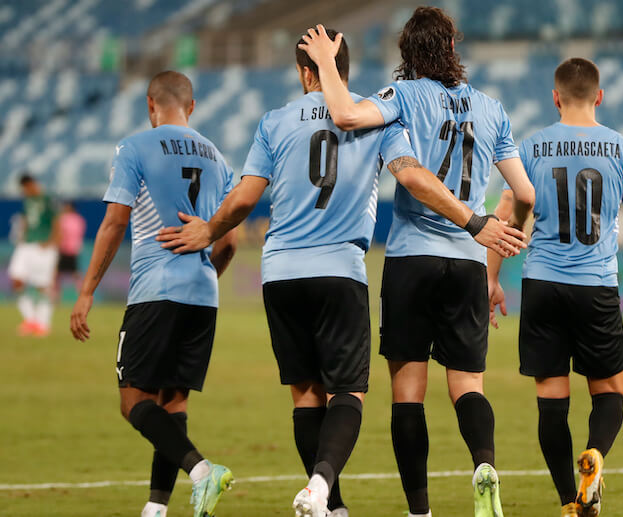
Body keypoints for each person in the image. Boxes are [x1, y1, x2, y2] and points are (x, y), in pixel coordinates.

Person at [156, 29, 524, 517]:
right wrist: (474, 221)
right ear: (342, 67)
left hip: (282, 271)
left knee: (306, 395)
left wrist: (208, 230)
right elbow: (411, 172)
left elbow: (244, 198)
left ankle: (335, 506)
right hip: (342, 271)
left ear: (303, 72)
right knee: (348, 393)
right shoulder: (380, 119)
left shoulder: (274, 121)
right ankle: (322, 487)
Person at [299, 9, 535, 517]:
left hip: (412, 258)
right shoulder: (492, 108)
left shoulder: (401, 96)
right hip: (469, 264)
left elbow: (346, 116)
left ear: (407, 53)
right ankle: (484, 464)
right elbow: (525, 194)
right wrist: (497, 254)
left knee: (407, 393)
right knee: (468, 385)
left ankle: (419, 511)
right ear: (451, 48)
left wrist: (325, 63)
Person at [489, 58, 623, 517]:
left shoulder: (530, 147)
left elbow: (509, 214)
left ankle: (570, 501)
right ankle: (596, 455)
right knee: (610, 391)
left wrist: (491, 277)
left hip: (542, 283)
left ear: (555, 98)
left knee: (551, 401)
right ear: (599, 96)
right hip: (595, 286)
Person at [69, 71, 238, 517]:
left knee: (133, 401)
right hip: (202, 294)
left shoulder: (135, 147)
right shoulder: (219, 158)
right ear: (192, 106)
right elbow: (230, 241)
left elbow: (114, 222)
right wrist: (206, 275)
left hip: (155, 290)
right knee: (173, 402)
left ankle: (202, 471)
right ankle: (156, 507)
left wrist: (86, 292)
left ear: (150, 105)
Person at [8, 173, 59, 337]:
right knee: (16, 279)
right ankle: (30, 320)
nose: (24, 191)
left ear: (31, 184)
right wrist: (22, 237)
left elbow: (57, 221)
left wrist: (52, 241)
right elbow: (25, 221)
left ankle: (43, 324)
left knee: (42, 286)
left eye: (25, 187)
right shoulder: (27, 201)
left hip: (44, 246)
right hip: (27, 245)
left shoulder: (48, 199)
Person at [57, 202, 86, 288]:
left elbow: (61, 233)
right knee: (59, 274)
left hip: (67, 249)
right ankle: (82, 290)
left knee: (61, 273)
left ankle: (82, 290)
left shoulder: (64, 218)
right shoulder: (79, 219)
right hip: (70, 249)